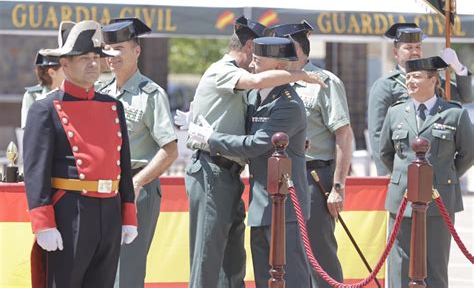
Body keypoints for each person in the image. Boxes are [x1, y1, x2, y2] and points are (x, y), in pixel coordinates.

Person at [178, 16, 325, 288]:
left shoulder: (286, 103)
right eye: (254, 54)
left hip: (281, 204)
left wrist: (212, 137)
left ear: (279, 67)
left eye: (261, 58)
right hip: (241, 188)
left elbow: (257, 142)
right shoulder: (250, 92)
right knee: (217, 261)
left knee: (280, 275)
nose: (254, 61)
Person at [23, 20, 138, 288]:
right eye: (84, 58)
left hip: (109, 209)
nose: (93, 64)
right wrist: (43, 223)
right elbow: (35, 171)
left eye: (96, 57)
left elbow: (122, 164)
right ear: (64, 65)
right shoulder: (45, 109)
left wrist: (128, 214)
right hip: (70, 211)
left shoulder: (112, 106)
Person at [271, 21, 353, 288]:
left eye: (282, 47)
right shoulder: (273, 82)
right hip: (282, 178)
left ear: (297, 49)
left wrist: (337, 187)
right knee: (287, 256)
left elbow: (343, 134)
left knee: (319, 255)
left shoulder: (324, 82)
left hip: (314, 176)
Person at [379, 56, 474, 288]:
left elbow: (468, 154)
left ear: (433, 80)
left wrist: (444, 177)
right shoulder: (396, 113)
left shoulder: (454, 114)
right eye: (408, 76)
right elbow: (386, 153)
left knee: (435, 266)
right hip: (402, 199)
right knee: (400, 264)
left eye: (417, 76)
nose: (410, 81)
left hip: (438, 199)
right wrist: (406, 178)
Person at [100, 17, 178, 288]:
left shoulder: (151, 94)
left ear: (137, 50)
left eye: (119, 49)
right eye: (109, 50)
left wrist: (137, 181)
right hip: (104, 187)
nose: (112, 56)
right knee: (103, 264)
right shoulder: (101, 92)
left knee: (128, 269)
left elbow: (169, 150)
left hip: (137, 188)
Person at [368, 23, 472, 175]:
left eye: (418, 47)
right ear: (396, 52)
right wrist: (386, 174)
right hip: (404, 166)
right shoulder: (386, 85)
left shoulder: (433, 79)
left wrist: (458, 67)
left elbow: (466, 97)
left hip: (436, 164)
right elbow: (377, 134)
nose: (415, 52)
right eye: (408, 48)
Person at [20, 19, 75, 128]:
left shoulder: (72, 92)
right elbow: (28, 129)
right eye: (63, 67)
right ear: (52, 73)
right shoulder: (33, 96)